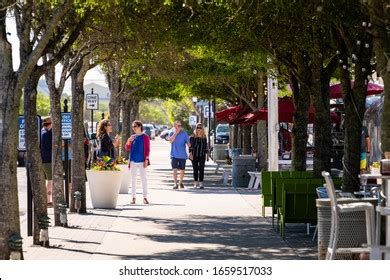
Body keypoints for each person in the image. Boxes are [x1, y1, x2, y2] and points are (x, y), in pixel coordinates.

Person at [125, 120, 150, 204]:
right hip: (133, 161)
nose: (134, 128)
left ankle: (145, 197)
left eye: (135, 126)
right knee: (133, 180)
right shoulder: (132, 137)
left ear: (140, 127)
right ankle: (133, 198)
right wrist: (128, 141)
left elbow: (147, 149)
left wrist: (146, 159)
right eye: (133, 127)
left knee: (144, 179)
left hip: (142, 161)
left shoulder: (145, 137)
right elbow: (127, 148)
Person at [168, 121, 190, 189]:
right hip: (174, 154)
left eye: (180, 125)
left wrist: (189, 144)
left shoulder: (184, 134)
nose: (180, 127)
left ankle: (180, 182)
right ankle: (175, 183)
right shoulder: (171, 133)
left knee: (182, 170)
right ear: (175, 126)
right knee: (174, 169)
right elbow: (170, 141)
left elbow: (188, 143)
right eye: (178, 125)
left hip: (182, 155)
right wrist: (175, 134)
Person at [189, 123, 209, 189]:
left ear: (202, 129)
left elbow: (206, 147)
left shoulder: (204, 137)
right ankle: (195, 183)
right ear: (196, 128)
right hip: (194, 155)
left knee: (201, 169)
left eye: (200, 128)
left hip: (202, 155)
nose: (199, 129)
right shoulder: (192, 136)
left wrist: (207, 156)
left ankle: (201, 183)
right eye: (198, 127)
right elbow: (190, 146)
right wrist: (190, 154)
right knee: (195, 169)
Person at [40, 116, 53, 207]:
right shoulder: (47, 134)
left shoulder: (41, 132)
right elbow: (51, 146)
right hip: (47, 160)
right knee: (50, 180)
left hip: (43, 159)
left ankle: (47, 200)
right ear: (51, 124)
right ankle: (48, 201)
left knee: (48, 180)